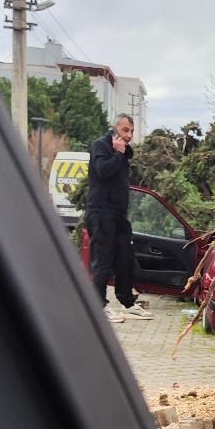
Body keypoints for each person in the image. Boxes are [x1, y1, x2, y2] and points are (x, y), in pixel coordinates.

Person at [85, 114, 152, 322]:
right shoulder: (100, 146)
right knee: (103, 262)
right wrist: (117, 153)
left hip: (118, 215)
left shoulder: (122, 151)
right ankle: (99, 306)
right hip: (101, 213)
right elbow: (103, 171)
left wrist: (121, 151)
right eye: (125, 130)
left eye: (131, 131)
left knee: (125, 259)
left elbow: (128, 153)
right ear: (114, 129)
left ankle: (128, 302)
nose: (129, 135)